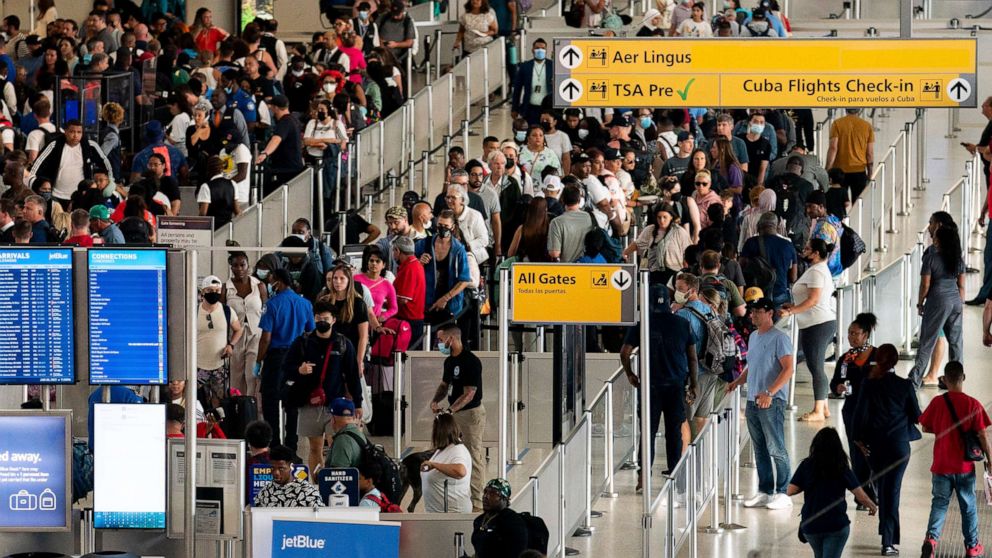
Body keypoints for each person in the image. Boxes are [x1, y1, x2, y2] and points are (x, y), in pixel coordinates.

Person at [620, 279, 697, 488]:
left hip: (649, 387)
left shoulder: (642, 325)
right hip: (676, 386)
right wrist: (694, 383)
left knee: (647, 432)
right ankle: (675, 474)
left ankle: (643, 475)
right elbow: (692, 357)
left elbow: (625, 352)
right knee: (674, 433)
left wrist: (630, 374)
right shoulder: (682, 323)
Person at [853, 344, 921, 556]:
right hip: (899, 447)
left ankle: (887, 534)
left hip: (875, 448)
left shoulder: (868, 384)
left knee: (884, 489)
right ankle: (888, 542)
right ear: (896, 361)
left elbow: (859, 417)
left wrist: (859, 441)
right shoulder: (904, 385)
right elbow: (916, 415)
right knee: (892, 492)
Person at [726, 298, 793, 510]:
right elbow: (752, 365)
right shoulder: (754, 336)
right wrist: (738, 382)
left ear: (769, 313)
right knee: (760, 448)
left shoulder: (780, 338)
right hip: (753, 400)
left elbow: (788, 369)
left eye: (757, 311)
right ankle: (765, 490)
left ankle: (783, 491)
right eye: (751, 311)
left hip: (771, 401)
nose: (752, 315)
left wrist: (770, 392)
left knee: (776, 447)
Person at [919, 362, 992, 558]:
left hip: (941, 465)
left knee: (940, 504)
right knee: (968, 506)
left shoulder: (937, 403)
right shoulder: (972, 404)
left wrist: (942, 429)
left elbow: (925, 427)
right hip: (964, 467)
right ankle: (972, 546)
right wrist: (990, 460)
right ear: (963, 377)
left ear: (944, 379)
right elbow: (982, 435)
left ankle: (931, 541)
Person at [282, 301, 360, 474]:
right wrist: (299, 370)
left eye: (325, 318)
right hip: (309, 404)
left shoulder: (343, 344)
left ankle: (334, 481)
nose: (321, 321)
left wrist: (358, 403)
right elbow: (286, 368)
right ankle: (317, 484)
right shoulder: (302, 342)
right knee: (315, 447)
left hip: (335, 405)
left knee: (337, 446)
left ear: (333, 320)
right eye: (318, 318)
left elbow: (353, 375)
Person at [787, 427, 878, 558]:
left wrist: (808, 483)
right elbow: (860, 495)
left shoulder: (806, 465)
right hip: (836, 525)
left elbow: (790, 491)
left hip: (811, 525)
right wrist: (872, 506)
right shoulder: (841, 467)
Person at [256, 268, 315, 451]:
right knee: (293, 402)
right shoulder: (305, 304)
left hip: (276, 358)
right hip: (297, 357)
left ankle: (274, 446)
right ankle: (291, 447)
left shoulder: (272, 304)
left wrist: (259, 360)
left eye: (271, 280)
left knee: (271, 401)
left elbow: (266, 337)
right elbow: (310, 331)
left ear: (278, 282)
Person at [429, 323, 485, 511]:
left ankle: (477, 500)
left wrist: (451, 411)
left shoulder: (471, 361)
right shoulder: (449, 362)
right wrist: (435, 401)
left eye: (440, 339)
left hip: (470, 415)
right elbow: (445, 385)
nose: (439, 343)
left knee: (473, 454)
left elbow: (469, 393)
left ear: (451, 339)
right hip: (454, 414)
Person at [779, 238, 835, 422]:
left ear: (816, 253)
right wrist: (794, 305)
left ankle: (818, 409)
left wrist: (791, 311)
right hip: (814, 323)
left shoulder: (817, 272)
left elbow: (813, 300)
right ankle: (824, 406)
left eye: (808, 248)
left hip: (817, 324)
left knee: (816, 366)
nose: (804, 250)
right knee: (815, 366)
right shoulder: (816, 270)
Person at [827, 313, 878, 503]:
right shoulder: (845, 359)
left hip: (872, 413)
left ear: (866, 335)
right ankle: (862, 496)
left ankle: (874, 492)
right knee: (856, 453)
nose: (851, 337)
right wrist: (837, 388)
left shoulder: (877, 355)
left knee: (872, 452)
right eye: (849, 333)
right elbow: (834, 383)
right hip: (852, 413)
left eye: (855, 334)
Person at [909, 227, 965, 389]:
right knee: (956, 342)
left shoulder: (931, 259)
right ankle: (957, 379)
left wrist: (920, 303)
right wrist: (959, 303)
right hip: (956, 300)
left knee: (927, 341)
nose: (933, 238)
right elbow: (961, 285)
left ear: (939, 240)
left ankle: (915, 379)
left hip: (938, 300)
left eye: (935, 237)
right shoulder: (958, 259)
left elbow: (925, 284)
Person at [30, 119, 112, 209]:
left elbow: (105, 162)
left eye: (79, 132)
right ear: (65, 132)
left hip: (81, 196)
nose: (75, 135)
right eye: (72, 132)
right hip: (56, 196)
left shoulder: (89, 145)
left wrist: (111, 180)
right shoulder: (54, 145)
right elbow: (37, 164)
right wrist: (32, 181)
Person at [416, 210, 473, 325]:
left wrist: (445, 298)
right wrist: (419, 262)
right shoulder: (424, 244)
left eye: (446, 226)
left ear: (453, 227)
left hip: (450, 304)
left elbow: (465, 280)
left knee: (445, 338)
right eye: (440, 225)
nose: (442, 229)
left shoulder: (458, 249)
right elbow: (408, 266)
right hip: (425, 301)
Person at [196, 275, 244, 406]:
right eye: (210, 290)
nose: (214, 294)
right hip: (197, 366)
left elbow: (238, 329)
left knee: (220, 402)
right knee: (197, 401)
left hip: (220, 366)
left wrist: (231, 345)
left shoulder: (227, 311)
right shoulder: (193, 311)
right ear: (203, 292)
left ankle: (219, 426)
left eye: (217, 291)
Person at [624, 203, 692, 282]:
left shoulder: (679, 232)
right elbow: (637, 244)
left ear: (671, 217)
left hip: (674, 272)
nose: (662, 220)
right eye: (659, 217)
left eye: (665, 217)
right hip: (653, 271)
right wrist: (625, 253)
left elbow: (688, 252)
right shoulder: (650, 230)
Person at [421, 412, 472, 513]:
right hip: (437, 514)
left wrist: (434, 465)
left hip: (451, 515)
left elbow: (460, 471)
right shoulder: (443, 449)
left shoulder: (458, 450)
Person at [255, 95, 304, 197]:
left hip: (286, 170)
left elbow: (276, 139)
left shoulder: (285, 122)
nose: (270, 109)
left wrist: (265, 153)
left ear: (276, 108)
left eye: (271, 107)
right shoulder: (293, 120)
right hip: (293, 167)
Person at [471, 479, 529, 558]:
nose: (486, 496)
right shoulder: (479, 520)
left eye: (492, 493)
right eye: (485, 492)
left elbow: (517, 552)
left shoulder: (513, 522)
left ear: (504, 499)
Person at [826, 108, 874, 202]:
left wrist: (828, 168)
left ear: (845, 109)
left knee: (839, 202)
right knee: (857, 204)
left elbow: (833, 148)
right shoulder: (867, 126)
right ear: (859, 110)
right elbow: (869, 154)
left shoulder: (837, 124)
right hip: (859, 171)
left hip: (840, 171)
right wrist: (870, 174)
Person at [252, 445, 324, 507]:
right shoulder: (265, 493)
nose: (276, 472)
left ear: (291, 466)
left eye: (281, 468)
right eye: (272, 468)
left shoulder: (307, 492)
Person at [392, 236, 426, 347]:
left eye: (394, 251)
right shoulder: (414, 265)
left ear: (398, 250)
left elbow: (403, 300)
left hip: (409, 320)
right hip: (412, 319)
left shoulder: (410, 268)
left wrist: (385, 302)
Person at [511, 39, 553, 125]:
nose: (540, 50)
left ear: (546, 50)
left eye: (543, 48)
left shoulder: (552, 66)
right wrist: (514, 108)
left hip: (548, 108)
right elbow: (517, 89)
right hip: (530, 108)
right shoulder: (525, 66)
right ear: (532, 50)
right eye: (537, 48)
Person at [325, 397, 367, 468]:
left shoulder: (342, 441)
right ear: (353, 417)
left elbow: (339, 474)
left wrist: (320, 474)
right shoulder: (358, 433)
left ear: (333, 419)